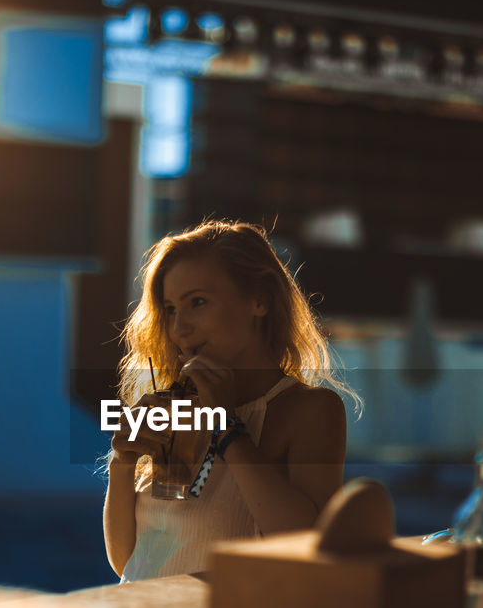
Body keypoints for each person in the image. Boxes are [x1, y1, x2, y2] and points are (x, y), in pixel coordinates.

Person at [104, 220, 357, 581]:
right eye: (171, 308)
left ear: (259, 300)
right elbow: (131, 561)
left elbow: (308, 546)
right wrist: (122, 462)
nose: (179, 329)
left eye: (198, 302)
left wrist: (227, 428)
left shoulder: (308, 410)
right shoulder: (177, 412)